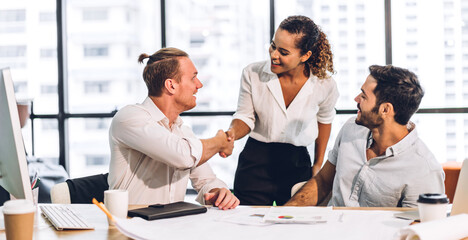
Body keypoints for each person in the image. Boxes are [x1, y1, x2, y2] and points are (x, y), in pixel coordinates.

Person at [285, 65, 445, 208]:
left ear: (385, 110)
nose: (356, 99)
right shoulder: (350, 129)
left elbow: (417, 228)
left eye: (363, 96)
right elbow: (323, 182)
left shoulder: (424, 169)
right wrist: (282, 215)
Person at [225, 15, 339, 206]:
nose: (273, 55)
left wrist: (318, 164)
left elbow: (325, 121)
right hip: (255, 163)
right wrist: (231, 134)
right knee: (249, 227)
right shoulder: (252, 73)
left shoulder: (324, 85)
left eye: (283, 52)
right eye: (273, 46)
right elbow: (245, 116)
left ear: (305, 56)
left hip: (297, 165)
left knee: (295, 228)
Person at [108, 47, 239, 210]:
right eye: (193, 78)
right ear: (171, 85)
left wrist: (218, 192)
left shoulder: (182, 131)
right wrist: (219, 142)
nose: (199, 85)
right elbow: (183, 155)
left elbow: (205, 179)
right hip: (129, 226)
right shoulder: (129, 118)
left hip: (170, 227)